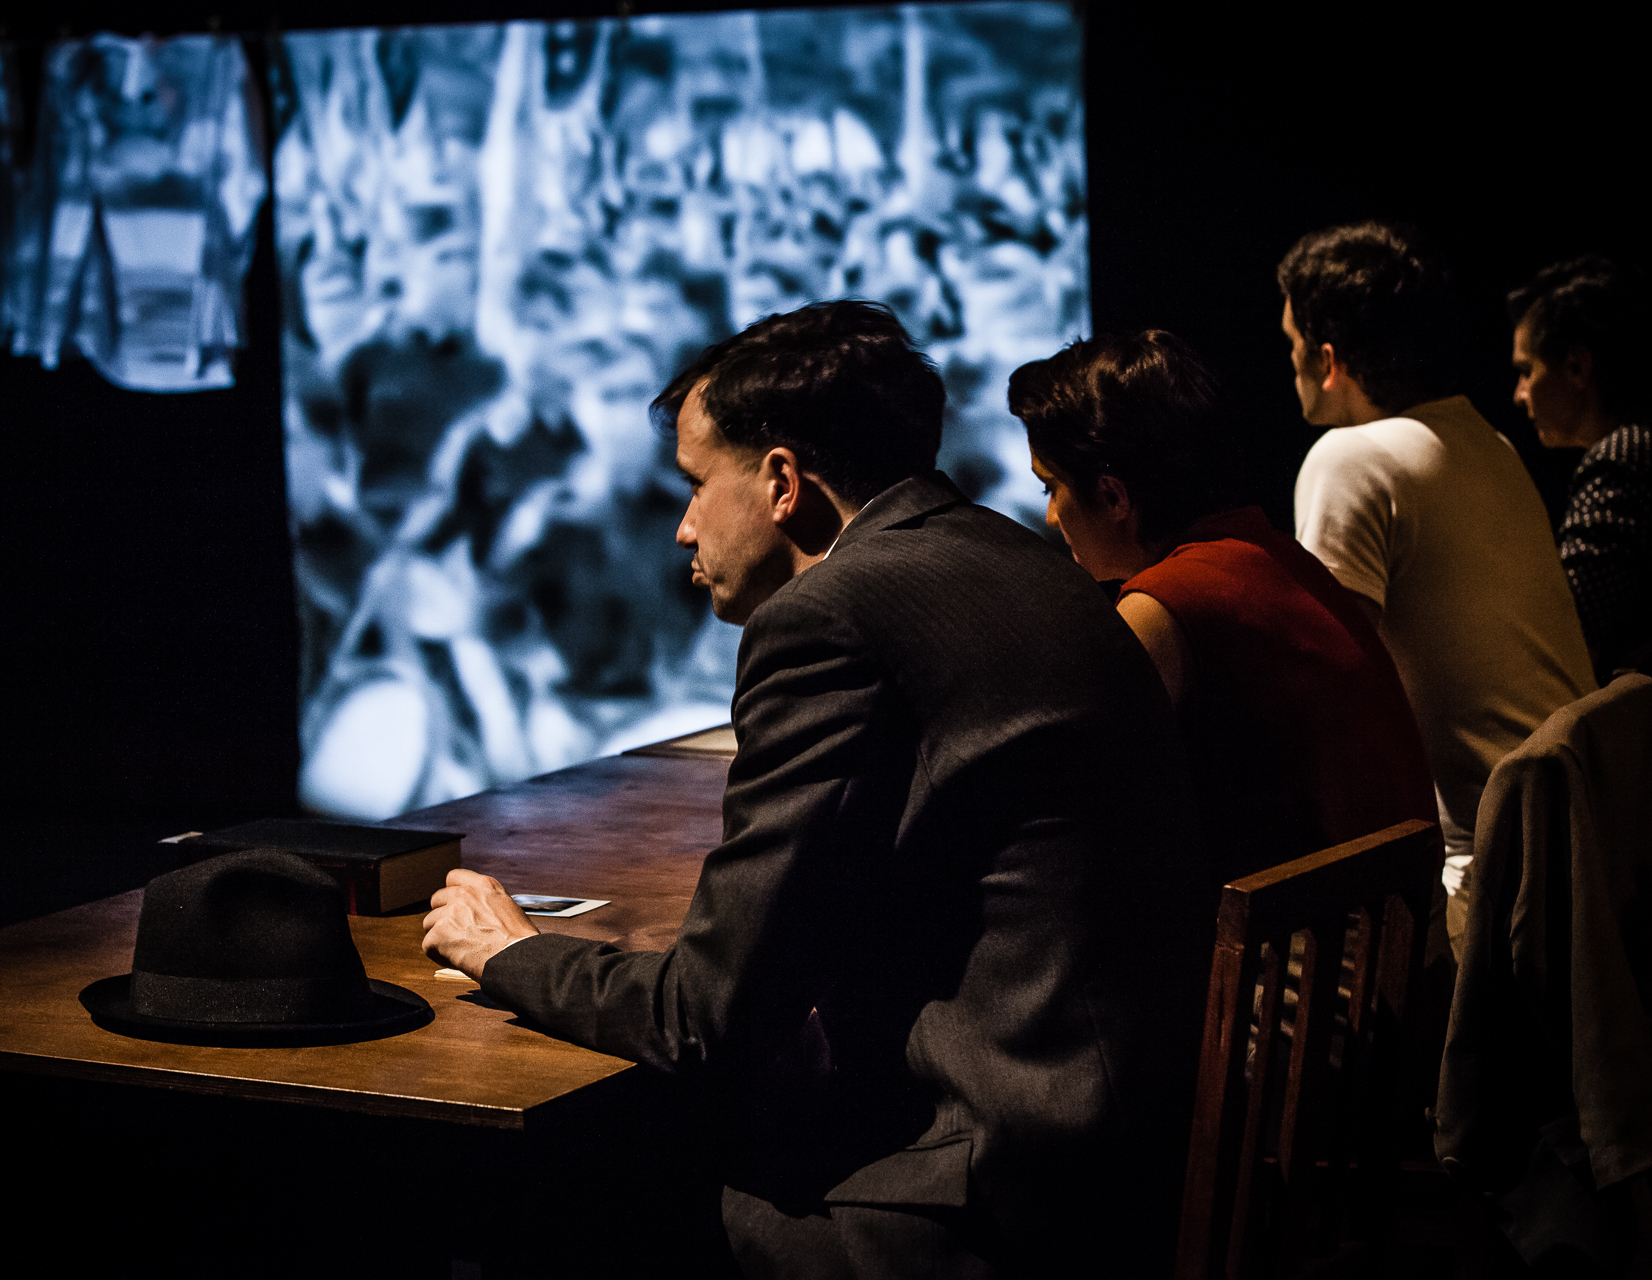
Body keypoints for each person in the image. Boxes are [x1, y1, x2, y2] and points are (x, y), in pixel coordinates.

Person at [422, 301, 1212, 1276]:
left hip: (988, 1203)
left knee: (545, 1201)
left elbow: (704, 1018)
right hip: (1130, 1162)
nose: (682, 528)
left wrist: (511, 952)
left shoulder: (829, 615)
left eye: (695, 484)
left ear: (782, 482)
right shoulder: (1023, 560)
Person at [1008, 330, 1436, 888]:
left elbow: (1072, 804)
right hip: (1402, 932)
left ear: (1113, 496)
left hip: (1303, 942)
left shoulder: (1163, 605)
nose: (1050, 518)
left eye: (1050, 488)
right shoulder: (1276, 555)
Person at [1278, 221, 1596, 946]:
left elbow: (1328, 701)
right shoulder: (1489, 441)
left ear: (1327, 360)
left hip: (1488, 887)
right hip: (1579, 857)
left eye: (1291, 342)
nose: (1286, 359)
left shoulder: (1349, 458)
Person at [1507, 255, 1652, 676]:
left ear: (1576, 366)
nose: (1519, 395)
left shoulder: (1622, 459)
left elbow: (1569, 639)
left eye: (1527, 371)